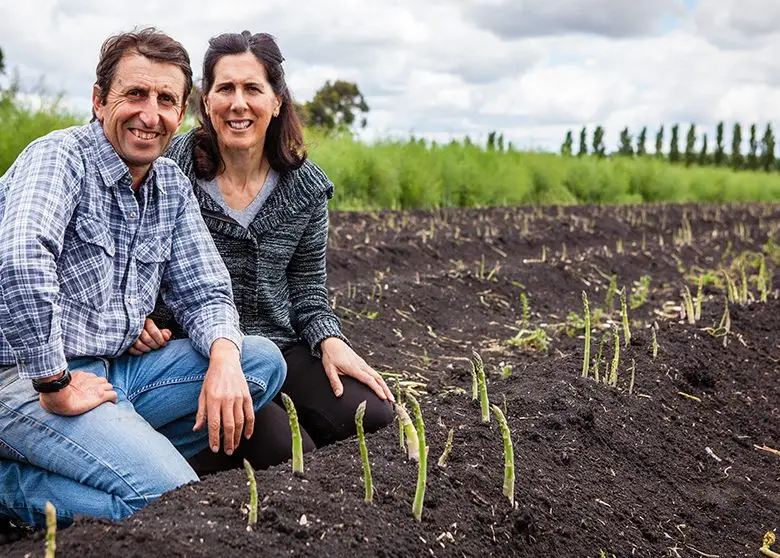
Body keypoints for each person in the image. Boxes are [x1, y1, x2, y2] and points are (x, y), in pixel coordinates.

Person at [0, 27, 287, 536]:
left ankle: (112, 448)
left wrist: (223, 355)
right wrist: (56, 384)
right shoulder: (60, 159)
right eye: (134, 94)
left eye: (165, 100)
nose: (150, 114)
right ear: (98, 100)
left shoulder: (170, 185)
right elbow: (21, 259)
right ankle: (12, 487)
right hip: (24, 379)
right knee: (173, 501)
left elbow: (206, 290)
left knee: (258, 361)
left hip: (114, 373)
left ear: (181, 115)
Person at [135, 30, 395, 475]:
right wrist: (136, 318)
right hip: (195, 347)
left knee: (371, 412)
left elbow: (309, 290)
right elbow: (134, 258)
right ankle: (181, 448)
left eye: (253, 89)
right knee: (289, 451)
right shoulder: (169, 167)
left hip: (278, 345)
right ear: (206, 101)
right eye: (225, 89)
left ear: (276, 101)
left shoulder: (306, 188)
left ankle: (244, 419)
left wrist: (330, 339)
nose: (238, 104)